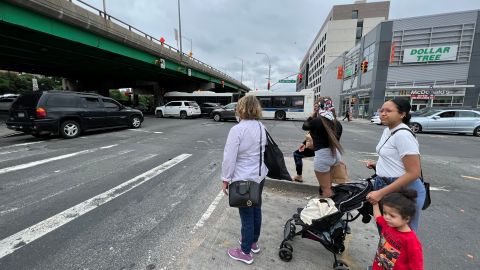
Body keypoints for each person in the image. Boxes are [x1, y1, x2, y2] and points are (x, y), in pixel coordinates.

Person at [366, 98, 426, 232]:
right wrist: (378, 166)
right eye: (381, 110)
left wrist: (380, 193)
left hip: (403, 190)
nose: (383, 113)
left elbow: (414, 172)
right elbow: (395, 160)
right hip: (386, 184)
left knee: (400, 237)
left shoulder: (403, 135)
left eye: (388, 111)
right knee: (386, 233)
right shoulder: (388, 130)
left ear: (402, 114)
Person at [221, 95, 268, 265]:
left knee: (246, 215)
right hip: (259, 176)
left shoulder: (237, 130)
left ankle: (245, 251)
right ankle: (253, 242)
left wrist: (225, 179)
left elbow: (229, 157)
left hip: (243, 179)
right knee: (256, 209)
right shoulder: (261, 127)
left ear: (241, 108)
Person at [371, 189, 424, 269]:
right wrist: (375, 204)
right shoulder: (388, 224)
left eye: (392, 216)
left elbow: (416, 266)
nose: (386, 217)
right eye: (385, 213)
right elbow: (378, 217)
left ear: (406, 219)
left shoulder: (411, 240)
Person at [302, 97, 343, 198]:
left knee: (326, 190)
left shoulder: (317, 122)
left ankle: (326, 211)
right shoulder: (337, 123)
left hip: (323, 156)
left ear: (320, 108)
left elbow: (305, 126)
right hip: (335, 155)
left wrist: (313, 113)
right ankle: (327, 206)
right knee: (328, 185)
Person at [292, 102, 320, 182]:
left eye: (317, 107)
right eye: (314, 107)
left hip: (317, 146)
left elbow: (305, 126)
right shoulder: (326, 119)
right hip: (322, 147)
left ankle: (299, 176)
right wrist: (304, 143)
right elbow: (312, 133)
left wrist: (312, 115)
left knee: (297, 154)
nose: (315, 109)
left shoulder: (318, 120)